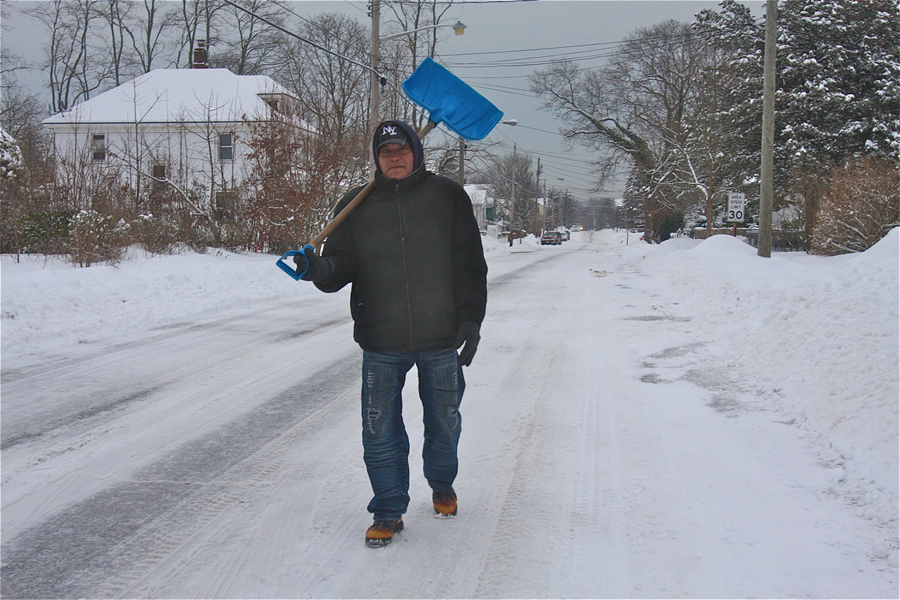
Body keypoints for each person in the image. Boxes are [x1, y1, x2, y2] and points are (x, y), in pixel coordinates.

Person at [294, 119, 488, 547]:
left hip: (440, 338)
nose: (394, 157)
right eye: (386, 153)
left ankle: (441, 482)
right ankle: (388, 509)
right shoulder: (355, 204)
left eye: (402, 150)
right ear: (376, 160)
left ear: (416, 153)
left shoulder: (448, 198)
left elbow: (470, 265)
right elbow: (338, 270)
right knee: (379, 430)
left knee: (445, 422)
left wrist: (471, 321)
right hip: (381, 341)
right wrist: (316, 268)